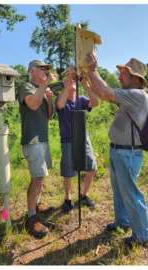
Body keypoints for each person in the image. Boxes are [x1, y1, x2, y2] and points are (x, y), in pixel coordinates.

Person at [85, 53, 148, 248]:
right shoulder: (130, 95)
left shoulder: (137, 95)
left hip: (128, 153)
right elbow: (105, 90)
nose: (119, 76)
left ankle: (143, 235)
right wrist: (89, 76)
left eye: (123, 74)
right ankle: (123, 222)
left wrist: (92, 70)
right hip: (120, 151)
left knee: (130, 193)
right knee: (120, 191)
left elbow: (105, 93)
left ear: (135, 78)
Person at [19, 60, 54, 239]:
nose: (46, 72)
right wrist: (43, 87)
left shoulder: (42, 89)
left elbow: (49, 115)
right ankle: (31, 216)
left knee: (40, 176)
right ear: (33, 71)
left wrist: (49, 98)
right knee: (37, 177)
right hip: (33, 139)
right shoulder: (26, 86)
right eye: (43, 69)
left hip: (43, 138)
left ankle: (37, 203)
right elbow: (32, 104)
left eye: (47, 69)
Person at [55, 67, 99, 213]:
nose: (71, 80)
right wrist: (67, 84)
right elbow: (60, 105)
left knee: (91, 167)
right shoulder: (61, 98)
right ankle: (67, 199)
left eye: (73, 79)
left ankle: (83, 195)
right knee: (68, 170)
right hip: (68, 140)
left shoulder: (81, 99)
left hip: (83, 138)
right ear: (64, 83)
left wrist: (85, 84)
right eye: (68, 79)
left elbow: (95, 102)